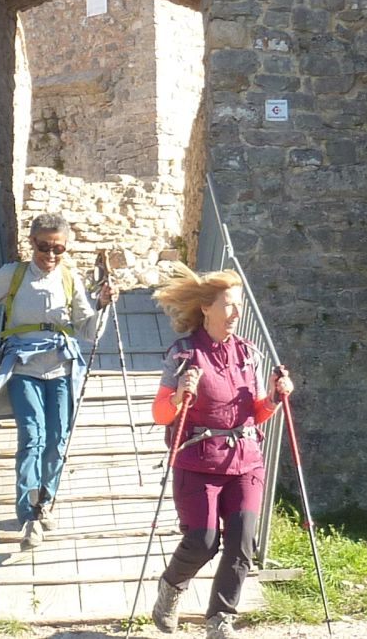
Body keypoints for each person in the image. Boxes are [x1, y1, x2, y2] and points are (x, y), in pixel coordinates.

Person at [0, 213, 115, 550]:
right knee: (32, 437)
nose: (50, 255)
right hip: (23, 368)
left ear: (66, 248)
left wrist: (103, 305)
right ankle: (29, 515)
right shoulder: (12, 275)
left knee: (57, 441)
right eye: (43, 247)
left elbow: (89, 330)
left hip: (62, 369)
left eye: (58, 248)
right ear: (31, 243)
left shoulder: (69, 278)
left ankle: (45, 501)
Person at [148, 263, 293, 639]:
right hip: (198, 461)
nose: (235, 313)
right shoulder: (183, 354)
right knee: (203, 541)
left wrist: (276, 396)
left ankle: (220, 618)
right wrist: (180, 395)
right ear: (206, 308)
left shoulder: (249, 354)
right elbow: (160, 413)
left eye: (238, 305)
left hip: (245, 460)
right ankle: (171, 587)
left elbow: (257, 413)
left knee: (243, 541)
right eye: (228, 304)